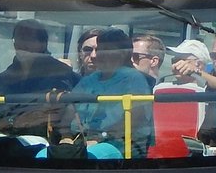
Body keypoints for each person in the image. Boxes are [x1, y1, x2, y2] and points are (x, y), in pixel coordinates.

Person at [45, 27, 153, 159]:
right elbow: (69, 113)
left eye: (107, 50)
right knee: (42, 155)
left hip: (121, 146)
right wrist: (66, 137)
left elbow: (136, 118)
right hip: (81, 142)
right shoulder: (89, 80)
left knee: (89, 157)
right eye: (100, 49)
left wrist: (99, 138)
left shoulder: (134, 79)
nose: (97, 55)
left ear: (123, 53)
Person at [0, 19, 79, 141]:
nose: (23, 44)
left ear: (43, 44)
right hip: (7, 140)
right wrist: (14, 121)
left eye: (29, 39)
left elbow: (73, 112)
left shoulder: (62, 73)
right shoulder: (2, 80)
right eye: (19, 38)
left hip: (49, 141)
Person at [149, 41, 210, 158]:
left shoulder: (207, 91)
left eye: (181, 60)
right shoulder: (158, 87)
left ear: (198, 64)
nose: (175, 65)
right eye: (174, 60)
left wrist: (197, 73)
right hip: (158, 151)